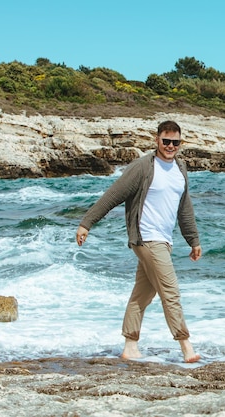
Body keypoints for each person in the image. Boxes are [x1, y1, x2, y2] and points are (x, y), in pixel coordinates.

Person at [75, 120, 202, 363]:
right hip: (145, 238)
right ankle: (186, 346)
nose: (170, 146)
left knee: (142, 294)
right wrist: (86, 223)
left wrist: (193, 240)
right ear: (157, 140)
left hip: (164, 240)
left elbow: (184, 208)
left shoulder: (180, 169)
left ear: (180, 143)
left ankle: (130, 346)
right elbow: (114, 194)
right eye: (166, 141)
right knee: (170, 291)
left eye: (175, 142)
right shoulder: (143, 167)